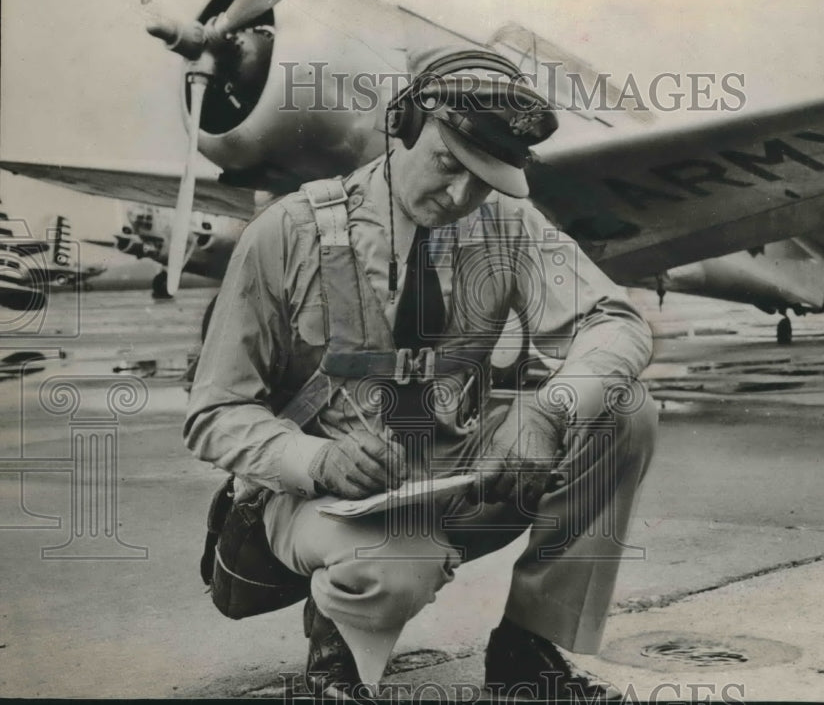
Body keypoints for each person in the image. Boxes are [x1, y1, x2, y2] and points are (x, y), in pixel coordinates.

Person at [184, 47, 656, 701]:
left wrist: (550, 409)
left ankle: (526, 652)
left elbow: (618, 321)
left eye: (483, 179)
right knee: (401, 565)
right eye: (447, 163)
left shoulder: (506, 225)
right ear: (402, 123)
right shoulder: (286, 232)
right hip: (317, 497)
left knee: (623, 408)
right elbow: (212, 413)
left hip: (447, 471)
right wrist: (315, 458)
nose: (461, 195)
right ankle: (337, 660)